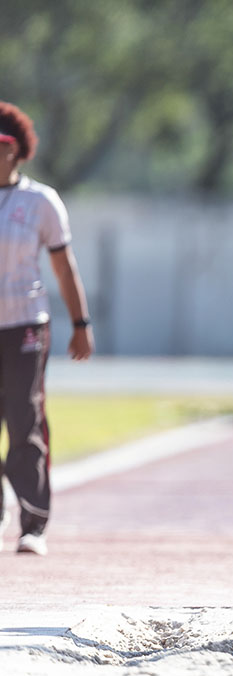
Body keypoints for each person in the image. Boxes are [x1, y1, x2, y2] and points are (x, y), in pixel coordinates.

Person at [0, 101, 94, 555]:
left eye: (2, 145)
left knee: (24, 416)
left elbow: (64, 267)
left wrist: (81, 323)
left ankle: (32, 522)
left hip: (24, 326)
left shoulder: (40, 202)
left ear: (17, 151)